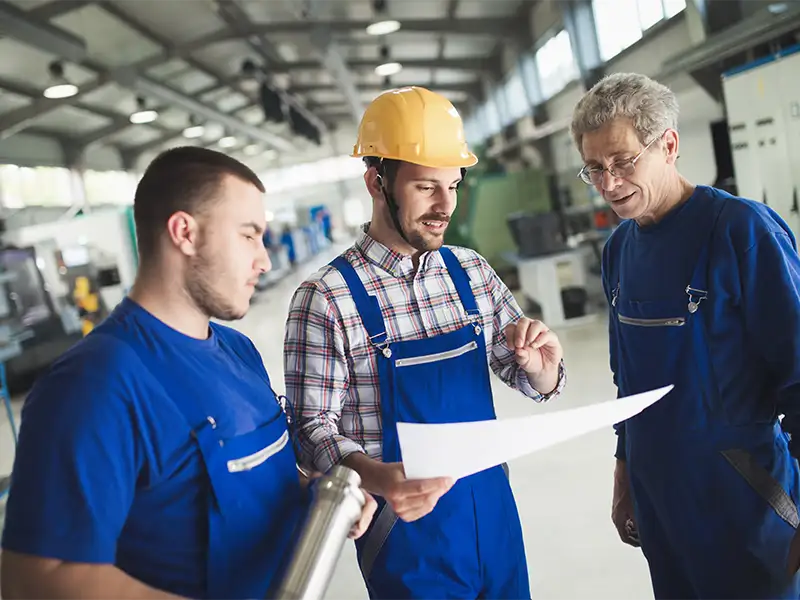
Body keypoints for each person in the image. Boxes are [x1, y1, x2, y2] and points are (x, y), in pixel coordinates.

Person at [0, 147, 376, 600]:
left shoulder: (238, 351)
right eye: (248, 236)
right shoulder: (94, 385)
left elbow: (257, 476)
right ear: (185, 233)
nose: (265, 259)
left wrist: (320, 497)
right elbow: (37, 577)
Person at [283, 86, 567, 599]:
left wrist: (541, 365)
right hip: (405, 533)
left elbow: (530, 377)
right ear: (377, 182)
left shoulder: (471, 271)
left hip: (493, 514)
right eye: (425, 187)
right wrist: (379, 477)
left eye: (454, 186)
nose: (445, 206)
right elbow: (309, 430)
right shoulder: (325, 297)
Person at [570, 72, 800, 599]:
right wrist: (625, 477)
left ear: (668, 145)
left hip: (746, 499)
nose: (608, 184)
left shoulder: (742, 232)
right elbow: (626, 380)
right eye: (595, 169)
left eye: (623, 162)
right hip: (662, 502)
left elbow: (798, 371)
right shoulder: (619, 249)